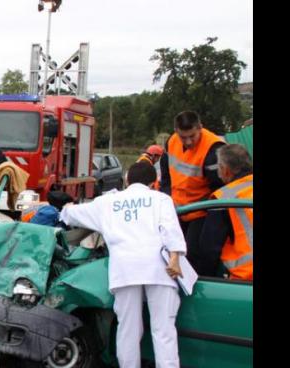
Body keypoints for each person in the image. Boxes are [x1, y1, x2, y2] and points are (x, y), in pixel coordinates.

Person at [60, 162, 186, 368]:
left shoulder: (108, 202)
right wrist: (175, 258)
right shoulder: (161, 199)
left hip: (125, 270)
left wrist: (66, 209)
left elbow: (74, 214)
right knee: (164, 330)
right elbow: (170, 229)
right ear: (153, 182)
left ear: (127, 180)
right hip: (160, 270)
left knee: (128, 329)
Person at [159, 111, 225, 270]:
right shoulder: (172, 141)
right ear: (176, 131)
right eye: (183, 137)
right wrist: (167, 197)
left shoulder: (213, 149)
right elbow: (166, 173)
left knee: (192, 254)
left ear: (200, 128)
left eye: (192, 136)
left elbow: (219, 189)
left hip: (200, 211)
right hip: (177, 208)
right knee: (166, 250)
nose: (188, 141)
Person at [196, 144, 253, 280]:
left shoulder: (223, 198)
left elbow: (209, 250)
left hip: (245, 280)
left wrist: (203, 279)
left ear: (226, 170)